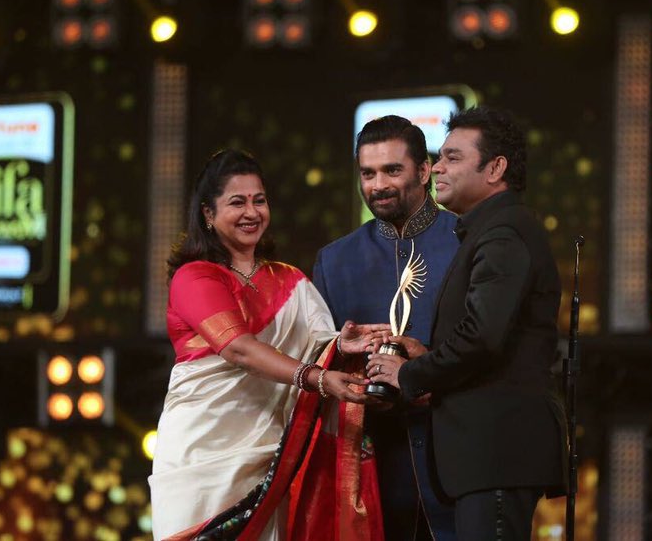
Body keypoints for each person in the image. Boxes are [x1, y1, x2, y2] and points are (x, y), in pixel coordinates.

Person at [148, 149, 390, 541]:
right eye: (237, 202)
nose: (251, 212)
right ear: (208, 214)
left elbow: (319, 346)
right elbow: (238, 349)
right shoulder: (195, 277)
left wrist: (341, 347)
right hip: (203, 454)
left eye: (259, 200)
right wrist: (318, 377)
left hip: (273, 456)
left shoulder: (290, 280)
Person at [368, 107, 567, 541]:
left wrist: (410, 374)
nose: (438, 166)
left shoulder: (503, 232)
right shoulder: (491, 229)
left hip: (497, 451)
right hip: (490, 454)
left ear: (496, 168)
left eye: (453, 157)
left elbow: (483, 336)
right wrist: (431, 355)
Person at [313, 115, 459, 541]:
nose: (378, 185)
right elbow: (319, 359)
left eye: (392, 170)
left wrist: (429, 368)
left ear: (425, 170)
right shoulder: (334, 260)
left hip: (458, 460)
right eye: (368, 173)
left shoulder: (468, 241)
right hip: (372, 472)